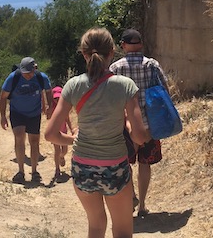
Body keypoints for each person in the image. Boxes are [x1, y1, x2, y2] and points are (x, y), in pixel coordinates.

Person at [45, 27, 148, 238]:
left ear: (84, 54)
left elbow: (50, 134)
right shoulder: (125, 86)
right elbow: (139, 136)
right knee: (121, 230)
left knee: (95, 226)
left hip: (83, 167)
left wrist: (73, 139)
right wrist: (134, 129)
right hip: (115, 166)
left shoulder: (73, 85)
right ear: (112, 52)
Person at [109, 29, 169, 217]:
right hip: (151, 123)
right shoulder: (152, 65)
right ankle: (142, 205)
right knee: (145, 163)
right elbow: (165, 90)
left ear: (123, 45)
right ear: (141, 44)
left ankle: (131, 197)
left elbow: (108, 97)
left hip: (125, 124)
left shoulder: (116, 68)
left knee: (125, 162)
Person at [0, 56, 54, 184]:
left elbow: (49, 91)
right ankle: (21, 171)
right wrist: (2, 116)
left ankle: (34, 171)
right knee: (19, 137)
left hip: (34, 113)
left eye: (29, 73)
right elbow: (3, 97)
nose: (27, 75)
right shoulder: (13, 77)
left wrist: (49, 106)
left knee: (34, 141)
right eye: (24, 73)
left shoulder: (41, 77)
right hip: (17, 112)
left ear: (34, 69)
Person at [51, 85, 74, 182]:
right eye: (55, 98)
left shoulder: (64, 107)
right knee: (57, 149)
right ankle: (57, 169)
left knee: (64, 150)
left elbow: (67, 119)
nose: (57, 100)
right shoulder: (52, 108)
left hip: (63, 131)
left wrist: (71, 129)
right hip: (55, 131)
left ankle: (61, 156)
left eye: (58, 98)